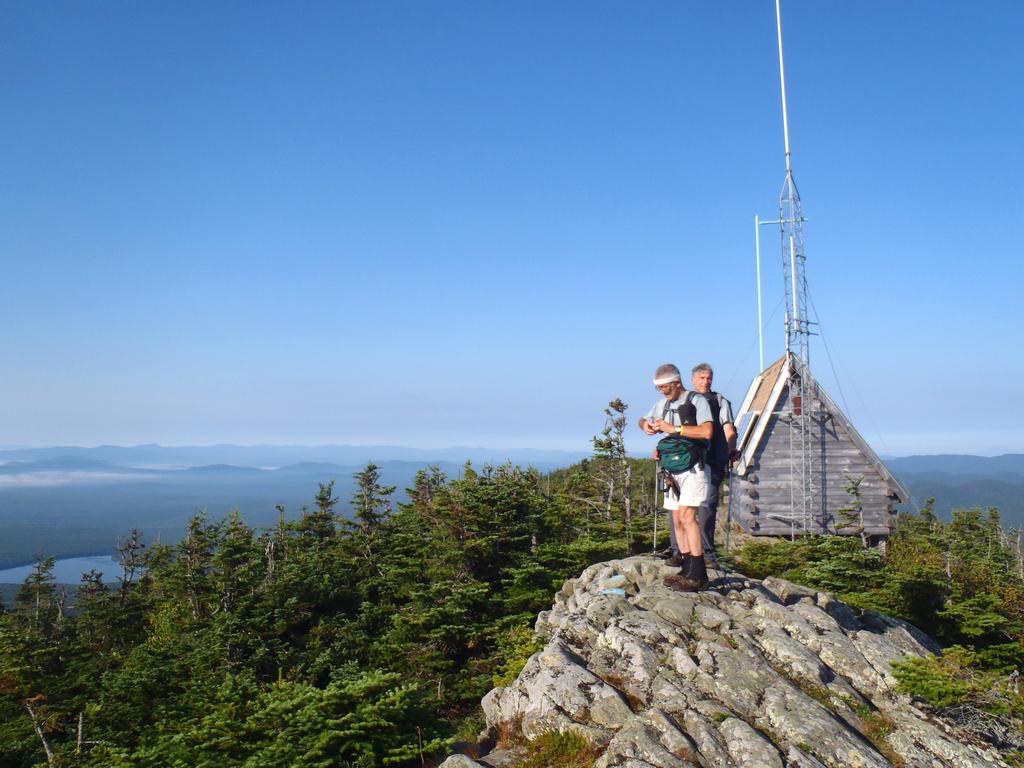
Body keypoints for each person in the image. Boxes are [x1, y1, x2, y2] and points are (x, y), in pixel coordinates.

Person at [639, 363, 714, 590]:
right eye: (658, 388)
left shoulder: (696, 401)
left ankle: (699, 574)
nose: (661, 391)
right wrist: (647, 426)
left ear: (676, 382)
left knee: (687, 516)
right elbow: (641, 420)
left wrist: (675, 429)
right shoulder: (662, 404)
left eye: (664, 387)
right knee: (677, 518)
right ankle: (687, 566)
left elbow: (707, 431)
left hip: (694, 466)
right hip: (672, 467)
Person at [690, 363, 738, 568]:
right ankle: (682, 551)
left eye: (708, 378)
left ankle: (707, 554)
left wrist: (731, 450)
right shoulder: (686, 401)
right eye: (701, 378)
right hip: (689, 461)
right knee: (685, 508)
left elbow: (729, 429)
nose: (705, 381)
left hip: (714, 460)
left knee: (707, 505)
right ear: (693, 380)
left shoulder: (720, 401)